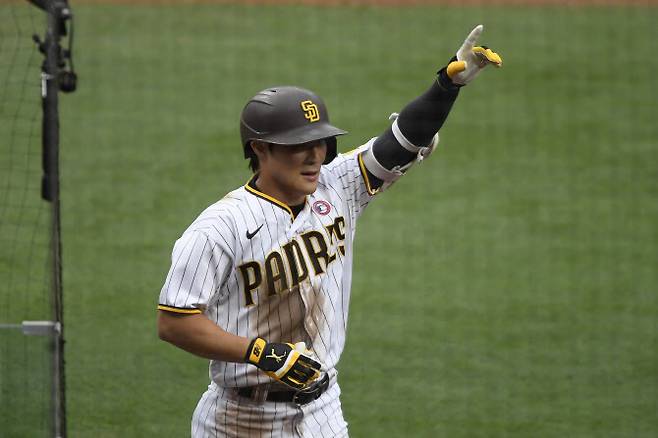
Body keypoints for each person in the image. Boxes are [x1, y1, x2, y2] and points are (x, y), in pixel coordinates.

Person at [157, 24, 501, 438]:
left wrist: (445, 85)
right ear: (259, 149)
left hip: (322, 412)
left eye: (319, 142)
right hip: (239, 420)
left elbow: (401, 142)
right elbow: (174, 321)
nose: (313, 155)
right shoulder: (219, 227)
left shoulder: (338, 187)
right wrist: (259, 353)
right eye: (296, 145)